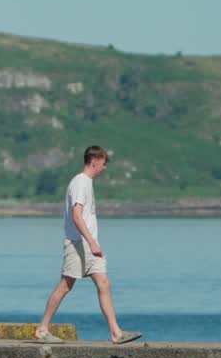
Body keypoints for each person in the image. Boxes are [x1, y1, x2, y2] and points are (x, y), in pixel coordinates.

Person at [34, 145, 141, 345]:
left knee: (104, 283)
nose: (104, 168)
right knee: (65, 286)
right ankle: (42, 329)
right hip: (78, 243)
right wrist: (92, 242)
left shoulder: (86, 183)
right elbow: (76, 216)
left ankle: (116, 333)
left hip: (89, 244)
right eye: (103, 164)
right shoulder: (80, 183)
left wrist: (93, 243)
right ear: (94, 162)